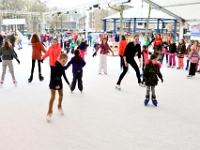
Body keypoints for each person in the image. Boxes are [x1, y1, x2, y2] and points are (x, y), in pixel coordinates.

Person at [46, 52, 71, 121]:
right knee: (53, 97)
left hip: (59, 82)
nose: (64, 62)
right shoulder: (56, 67)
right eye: (63, 61)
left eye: (66, 61)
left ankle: (59, 106)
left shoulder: (62, 67)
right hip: (54, 82)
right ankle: (49, 112)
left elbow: (64, 75)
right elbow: (52, 76)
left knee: (61, 95)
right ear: (59, 59)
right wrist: (56, 84)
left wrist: (68, 83)